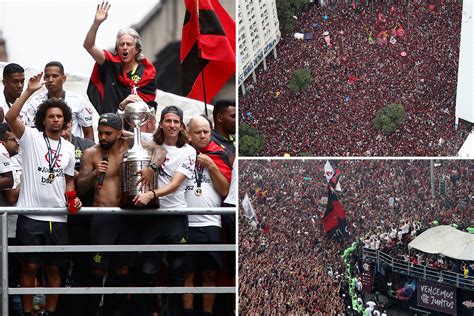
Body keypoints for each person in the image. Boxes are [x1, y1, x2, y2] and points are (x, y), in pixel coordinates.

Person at [5, 72, 82, 316]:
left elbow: (69, 182)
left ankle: (50, 312)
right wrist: (29, 91)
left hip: (58, 218)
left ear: (65, 120)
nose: (56, 120)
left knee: (54, 270)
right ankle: (29, 312)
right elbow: (10, 116)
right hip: (31, 217)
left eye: (60, 116)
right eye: (51, 116)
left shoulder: (69, 148)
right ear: (43, 119)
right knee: (29, 266)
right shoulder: (31, 138)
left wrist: (74, 199)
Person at [133, 105, 196, 315]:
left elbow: (176, 184)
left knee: (177, 272)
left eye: (175, 122)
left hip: (176, 217)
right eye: (168, 121)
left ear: (181, 126)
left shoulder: (188, 151)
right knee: (147, 270)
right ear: (161, 123)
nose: (171, 125)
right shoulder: (151, 142)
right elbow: (126, 132)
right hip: (152, 217)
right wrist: (125, 108)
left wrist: (151, 194)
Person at [182, 115, 231, 316]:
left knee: (210, 273)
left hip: (211, 223)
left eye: (206, 132)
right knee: (188, 272)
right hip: (185, 223)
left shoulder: (219, 155)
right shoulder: (181, 154)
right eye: (198, 132)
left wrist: (211, 166)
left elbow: (226, 190)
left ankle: (207, 313)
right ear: (188, 133)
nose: (203, 136)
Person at [84, 1, 157, 114]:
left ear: (137, 49)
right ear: (117, 49)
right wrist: (96, 23)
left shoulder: (147, 72)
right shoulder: (110, 62)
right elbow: (89, 46)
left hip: (135, 126)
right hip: (110, 125)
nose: (124, 47)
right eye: (121, 44)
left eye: (129, 44)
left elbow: (149, 104)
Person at [21, 61, 94, 140]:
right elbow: (31, 131)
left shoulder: (78, 100)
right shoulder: (36, 101)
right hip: (45, 149)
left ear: (64, 79)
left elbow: (88, 132)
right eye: (47, 76)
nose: (50, 80)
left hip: (73, 149)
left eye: (55, 76)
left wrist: (87, 151)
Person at [211, 100, 235, 164]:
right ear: (220, 118)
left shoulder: (235, 137)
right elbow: (226, 166)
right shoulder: (210, 141)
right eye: (233, 116)